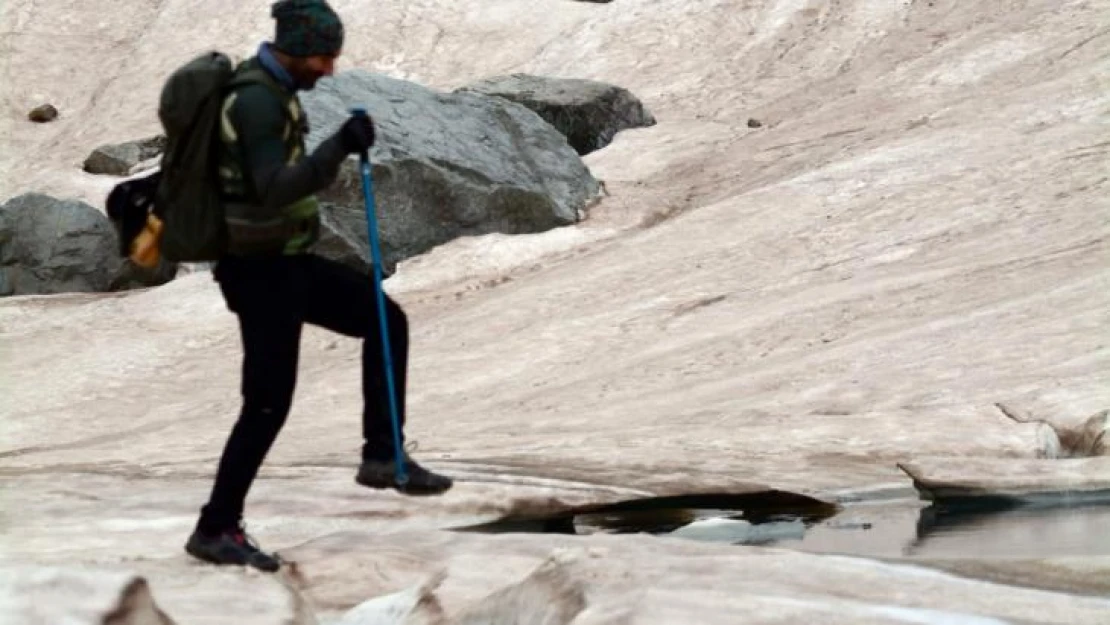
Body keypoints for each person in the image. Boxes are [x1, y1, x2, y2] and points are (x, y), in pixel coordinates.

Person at [184, 0, 453, 573]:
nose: (329, 69)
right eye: (324, 56)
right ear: (298, 48)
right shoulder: (256, 101)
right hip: (260, 274)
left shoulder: (270, 92)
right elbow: (274, 187)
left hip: (284, 263)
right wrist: (339, 146)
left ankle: (382, 455)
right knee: (265, 405)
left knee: (383, 319)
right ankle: (215, 528)